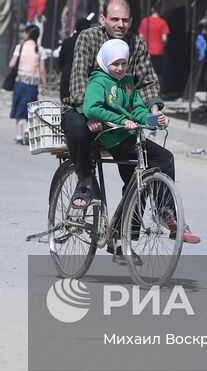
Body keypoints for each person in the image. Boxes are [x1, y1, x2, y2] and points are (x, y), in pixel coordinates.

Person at [63, 0, 199, 244]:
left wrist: (154, 111)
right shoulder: (89, 38)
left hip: (120, 121)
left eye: (125, 20)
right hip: (86, 110)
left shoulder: (137, 44)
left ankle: (136, 227)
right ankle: (84, 183)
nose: (120, 24)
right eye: (115, 19)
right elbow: (78, 81)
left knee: (152, 163)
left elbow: (146, 83)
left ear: (132, 21)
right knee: (77, 126)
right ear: (103, 19)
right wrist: (88, 114)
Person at [80, 39, 189, 251]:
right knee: (158, 162)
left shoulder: (128, 82)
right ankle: (163, 210)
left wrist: (153, 119)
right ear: (105, 62)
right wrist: (121, 120)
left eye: (124, 63)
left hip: (131, 135)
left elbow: (137, 108)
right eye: (115, 64)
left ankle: (124, 235)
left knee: (139, 182)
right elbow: (91, 108)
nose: (120, 68)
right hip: (113, 137)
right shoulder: (98, 82)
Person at [9, 24, 45, 144]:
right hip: (32, 85)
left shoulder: (20, 47)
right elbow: (42, 70)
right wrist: (44, 86)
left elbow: (11, 64)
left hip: (20, 82)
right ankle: (27, 130)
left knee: (19, 107)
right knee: (30, 108)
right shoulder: (40, 50)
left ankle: (19, 136)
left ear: (27, 33)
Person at [57, 15, 93, 103]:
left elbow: (60, 60)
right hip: (84, 76)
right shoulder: (90, 43)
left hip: (67, 74)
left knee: (65, 102)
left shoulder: (67, 42)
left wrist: (65, 69)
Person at [138, 7, 171, 86]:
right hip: (159, 51)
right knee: (159, 72)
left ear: (152, 10)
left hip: (147, 50)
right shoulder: (162, 22)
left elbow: (140, 36)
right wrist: (164, 45)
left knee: (146, 72)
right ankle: (158, 90)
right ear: (160, 12)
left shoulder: (144, 21)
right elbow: (164, 38)